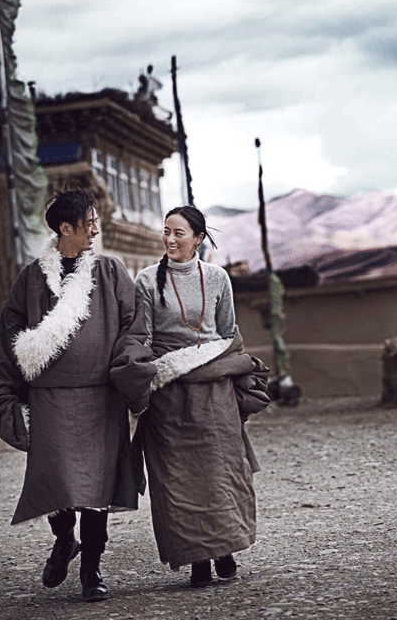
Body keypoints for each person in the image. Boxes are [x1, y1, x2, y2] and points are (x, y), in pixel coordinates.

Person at [0, 188, 155, 602]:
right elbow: (10, 336)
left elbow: (135, 325)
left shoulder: (111, 272)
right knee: (56, 483)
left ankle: (91, 570)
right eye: (89, 222)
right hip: (51, 400)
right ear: (66, 228)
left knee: (96, 492)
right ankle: (63, 539)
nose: (96, 229)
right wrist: (6, 392)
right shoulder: (31, 279)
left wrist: (130, 365)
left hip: (100, 400)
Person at [133, 205, 271, 587]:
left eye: (180, 233)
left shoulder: (217, 278)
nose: (171, 239)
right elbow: (141, 338)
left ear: (198, 238)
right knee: (178, 481)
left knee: (221, 473)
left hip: (214, 393)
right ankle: (196, 560)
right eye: (166, 232)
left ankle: (224, 549)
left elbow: (228, 333)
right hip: (169, 395)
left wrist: (215, 364)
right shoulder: (146, 281)